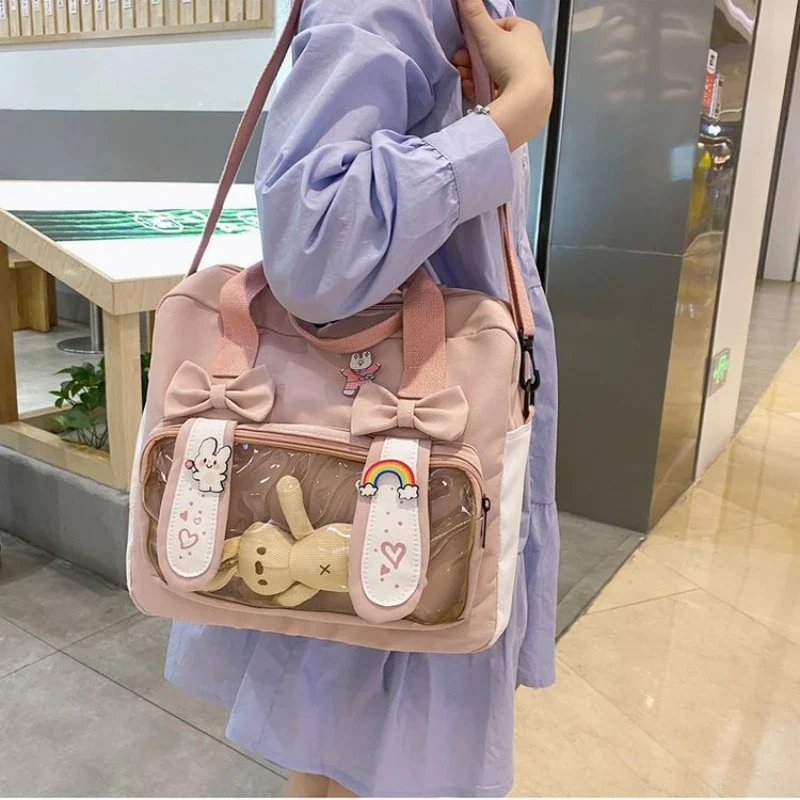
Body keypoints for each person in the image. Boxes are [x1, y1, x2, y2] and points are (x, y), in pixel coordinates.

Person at [165, 0, 559, 796]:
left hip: (412, 453)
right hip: (393, 457)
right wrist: (515, 113)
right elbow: (314, 243)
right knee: (362, 739)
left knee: (347, 747)